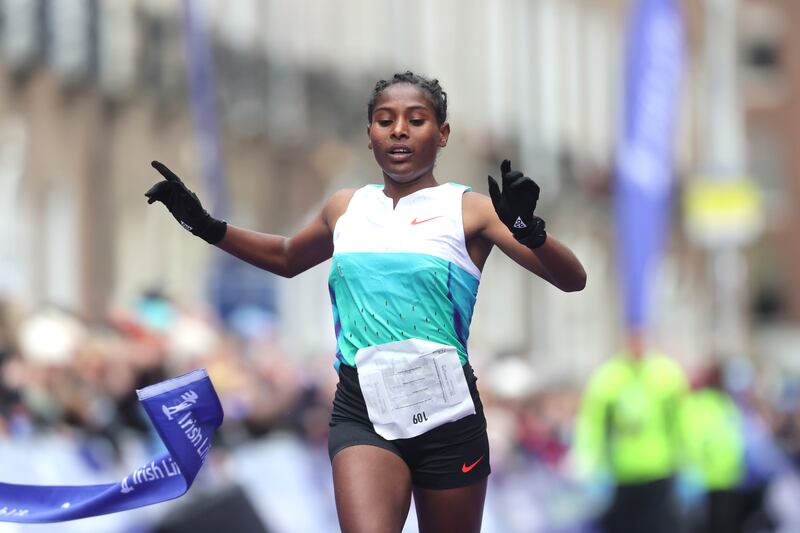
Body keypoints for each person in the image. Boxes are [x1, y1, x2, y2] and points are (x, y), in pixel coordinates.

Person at [145, 70, 586, 533]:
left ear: (443, 134)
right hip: (363, 404)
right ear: (370, 134)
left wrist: (528, 230)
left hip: (446, 409)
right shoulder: (345, 208)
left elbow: (571, 279)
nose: (399, 130)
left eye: (416, 120)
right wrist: (205, 225)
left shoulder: (469, 209)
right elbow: (288, 256)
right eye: (384, 119)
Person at [572, 332, 688, 533]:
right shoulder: (608, 376)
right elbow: (594, 423)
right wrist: (591, 462)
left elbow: (681, 420)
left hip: (658, 469)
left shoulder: (666, 373)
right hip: (621, 473)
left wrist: (685, 459)